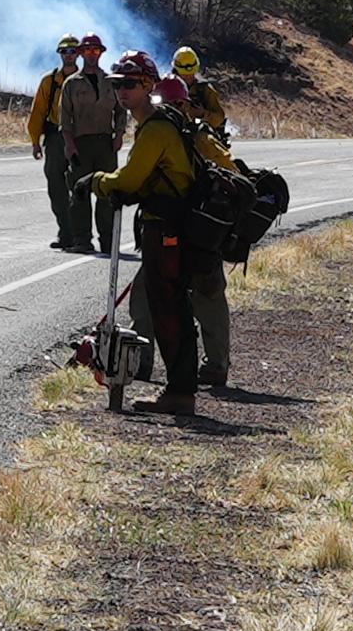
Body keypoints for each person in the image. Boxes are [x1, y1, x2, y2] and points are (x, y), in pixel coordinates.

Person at [74, 50, 206, 415]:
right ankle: (180, 391)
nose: (122, 91)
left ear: (149, 85)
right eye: (117, 84)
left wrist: (97, 181)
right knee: (169, 306)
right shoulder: (155, 123)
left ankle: (180, 394)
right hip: (166, 226)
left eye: (130, 84)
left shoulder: (158, 128)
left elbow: (130, 178)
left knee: (168, 308)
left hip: (166, 229)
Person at [172, 47, 235, 390]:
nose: (186, 75)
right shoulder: (165, 127)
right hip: (175, 215)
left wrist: (202, 114)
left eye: (189, 71)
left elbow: (219, 119)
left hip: (203, 216)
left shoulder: (206, 94)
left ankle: (215, 364)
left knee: (208, 290)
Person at [45, 33, 122, 252]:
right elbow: (65, 119)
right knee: (79, 193)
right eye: (87, 50)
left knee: (106, 192)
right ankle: (82, 240)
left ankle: (108, 241)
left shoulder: (111, 82)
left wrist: (118, 135)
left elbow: (120, 111)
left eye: (95, 50)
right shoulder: (71, 84)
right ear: (81, 53)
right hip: (81, 144)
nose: (91, 54)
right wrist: (69, 145)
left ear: (101, 53)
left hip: (105, 144)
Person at [27, 37, 89, 248]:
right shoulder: (50, 81)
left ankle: (82, 236)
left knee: (79, 187)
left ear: (79, 54)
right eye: (64, 51)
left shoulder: (87, 79)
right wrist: (35, 141)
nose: (68, 55)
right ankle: (65, 233)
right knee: (56, 187)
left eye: (72, 51)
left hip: (81, 139)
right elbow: (37, 112)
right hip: (55, 139)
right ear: (60, 54)